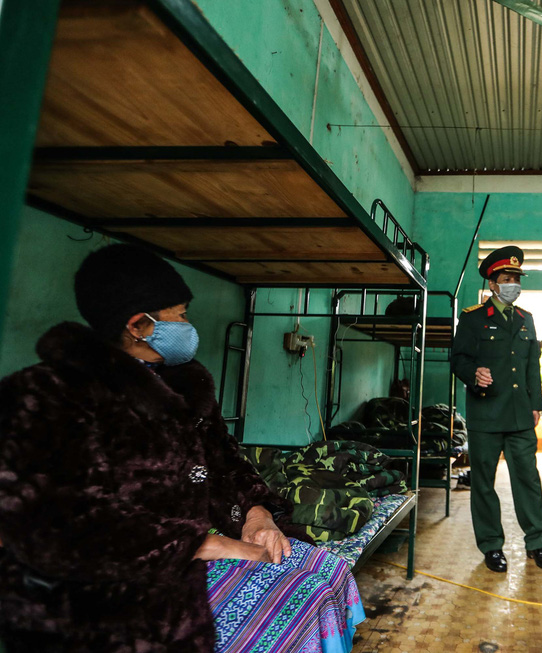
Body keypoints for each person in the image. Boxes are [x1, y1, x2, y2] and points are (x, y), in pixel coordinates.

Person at [0, 244, 363, 651]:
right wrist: (202, 544)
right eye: (181, 315)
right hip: (112, 593)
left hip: (205, 539)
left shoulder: (185, 386)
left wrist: (256, 514)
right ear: (139, 325)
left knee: (328, 570)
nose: (189, 325)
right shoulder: (48, 395)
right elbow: (50, 522)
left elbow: (225, 460)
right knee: (300, 600)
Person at [451, 246, 542, 573]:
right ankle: (492, 546)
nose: (513, 283)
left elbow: (531, 366)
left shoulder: (527, 319)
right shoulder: (472, 319)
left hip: (520, 414)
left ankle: (537, 543)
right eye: (507, 278)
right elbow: (459, 359)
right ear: (493, 284)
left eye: (516, 278)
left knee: (528, 479)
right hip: (485, 414)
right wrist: (473, 374)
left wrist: (536, 406)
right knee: (483, 482)